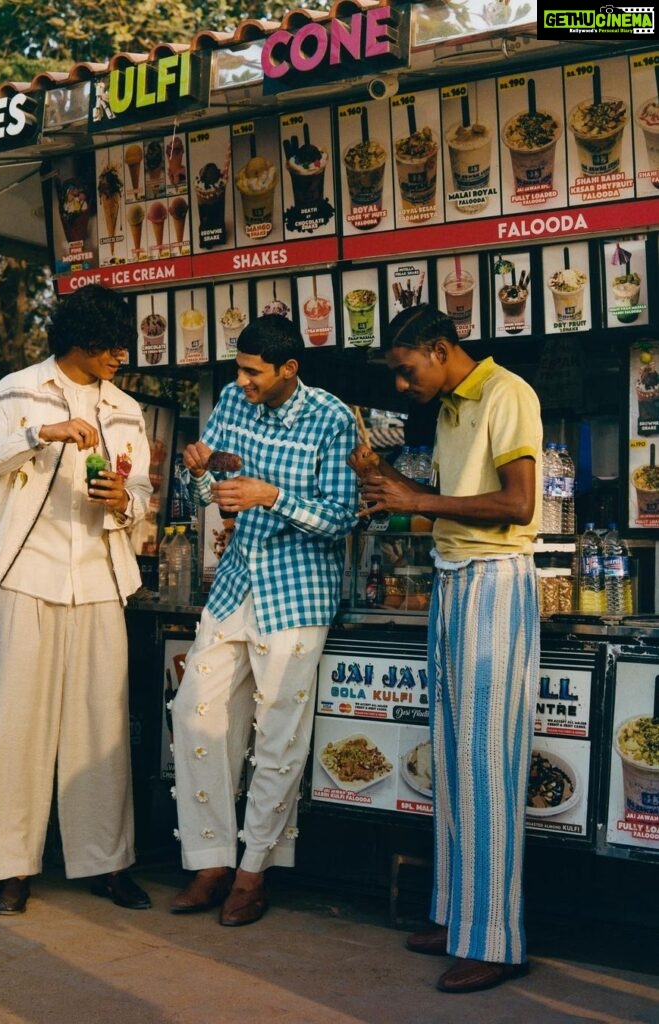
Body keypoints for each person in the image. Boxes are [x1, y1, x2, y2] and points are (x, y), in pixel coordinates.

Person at [349, 304, 541, 992]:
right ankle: (459, 915)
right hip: (454, 579)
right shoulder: (453, 407)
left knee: (487, 762)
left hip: (495, 582)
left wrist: (418, 499)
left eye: (405, 372)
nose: (401, 387)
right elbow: (452, 499)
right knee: (454, 755)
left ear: (438, 349)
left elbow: (518, 504)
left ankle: (495, 938)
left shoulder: (505, 392)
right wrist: (397, 495)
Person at [0, 284, 152, 915]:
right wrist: (40, 432)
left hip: (99, 577)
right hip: (27, 575)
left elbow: (143, 490)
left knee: (101, 725)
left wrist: (126, 503)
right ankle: (8, 868)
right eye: (109, 345)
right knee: (18, 722)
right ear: (80, 341)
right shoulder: (16, 391)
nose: (120, 355)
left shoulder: (126, 409)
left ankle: (107, 861)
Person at [170, 314, 359, 926]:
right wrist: (198, 471)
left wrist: (272, 495)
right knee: (195, 710)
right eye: (239, 369)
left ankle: (252, 872)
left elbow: (343, 517)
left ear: (288, 369)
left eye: (254, 372)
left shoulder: (330, 417)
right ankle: (210, 858)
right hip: (235, 586)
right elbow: (206, 496)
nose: (242, 380)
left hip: (298, 595)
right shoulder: (231, 400)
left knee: (278, 736)